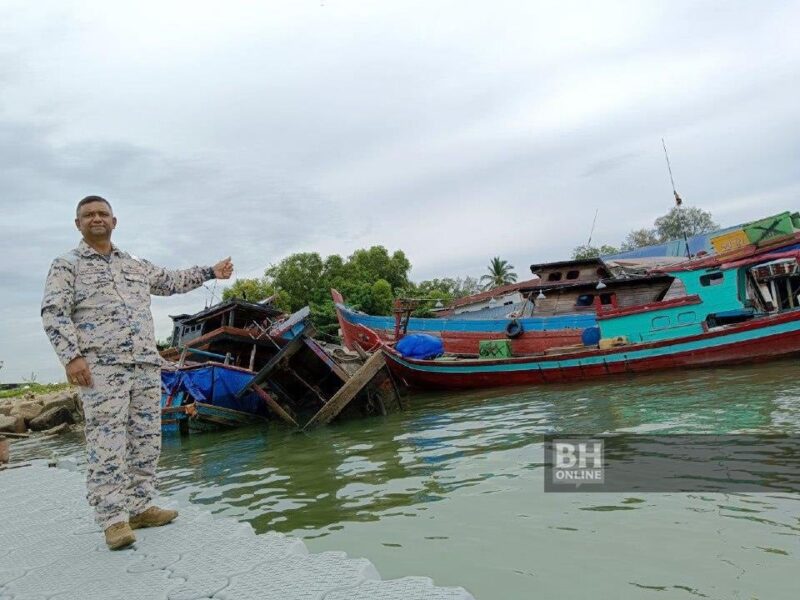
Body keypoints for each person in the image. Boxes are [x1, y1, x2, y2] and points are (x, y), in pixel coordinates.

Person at [41, 195, 233, 550]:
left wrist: (210, 271)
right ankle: (113, 519)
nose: (96, 218)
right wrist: (72, 357)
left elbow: (171, 280)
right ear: (77, 224)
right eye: (88, 215)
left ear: (115, 222)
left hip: (145, 365)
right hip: (101, 368)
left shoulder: (134, 264)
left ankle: (140, 507)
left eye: (103, 214)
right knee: (106, 442)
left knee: (146, 439)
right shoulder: (67, 265)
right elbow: (53, 313)